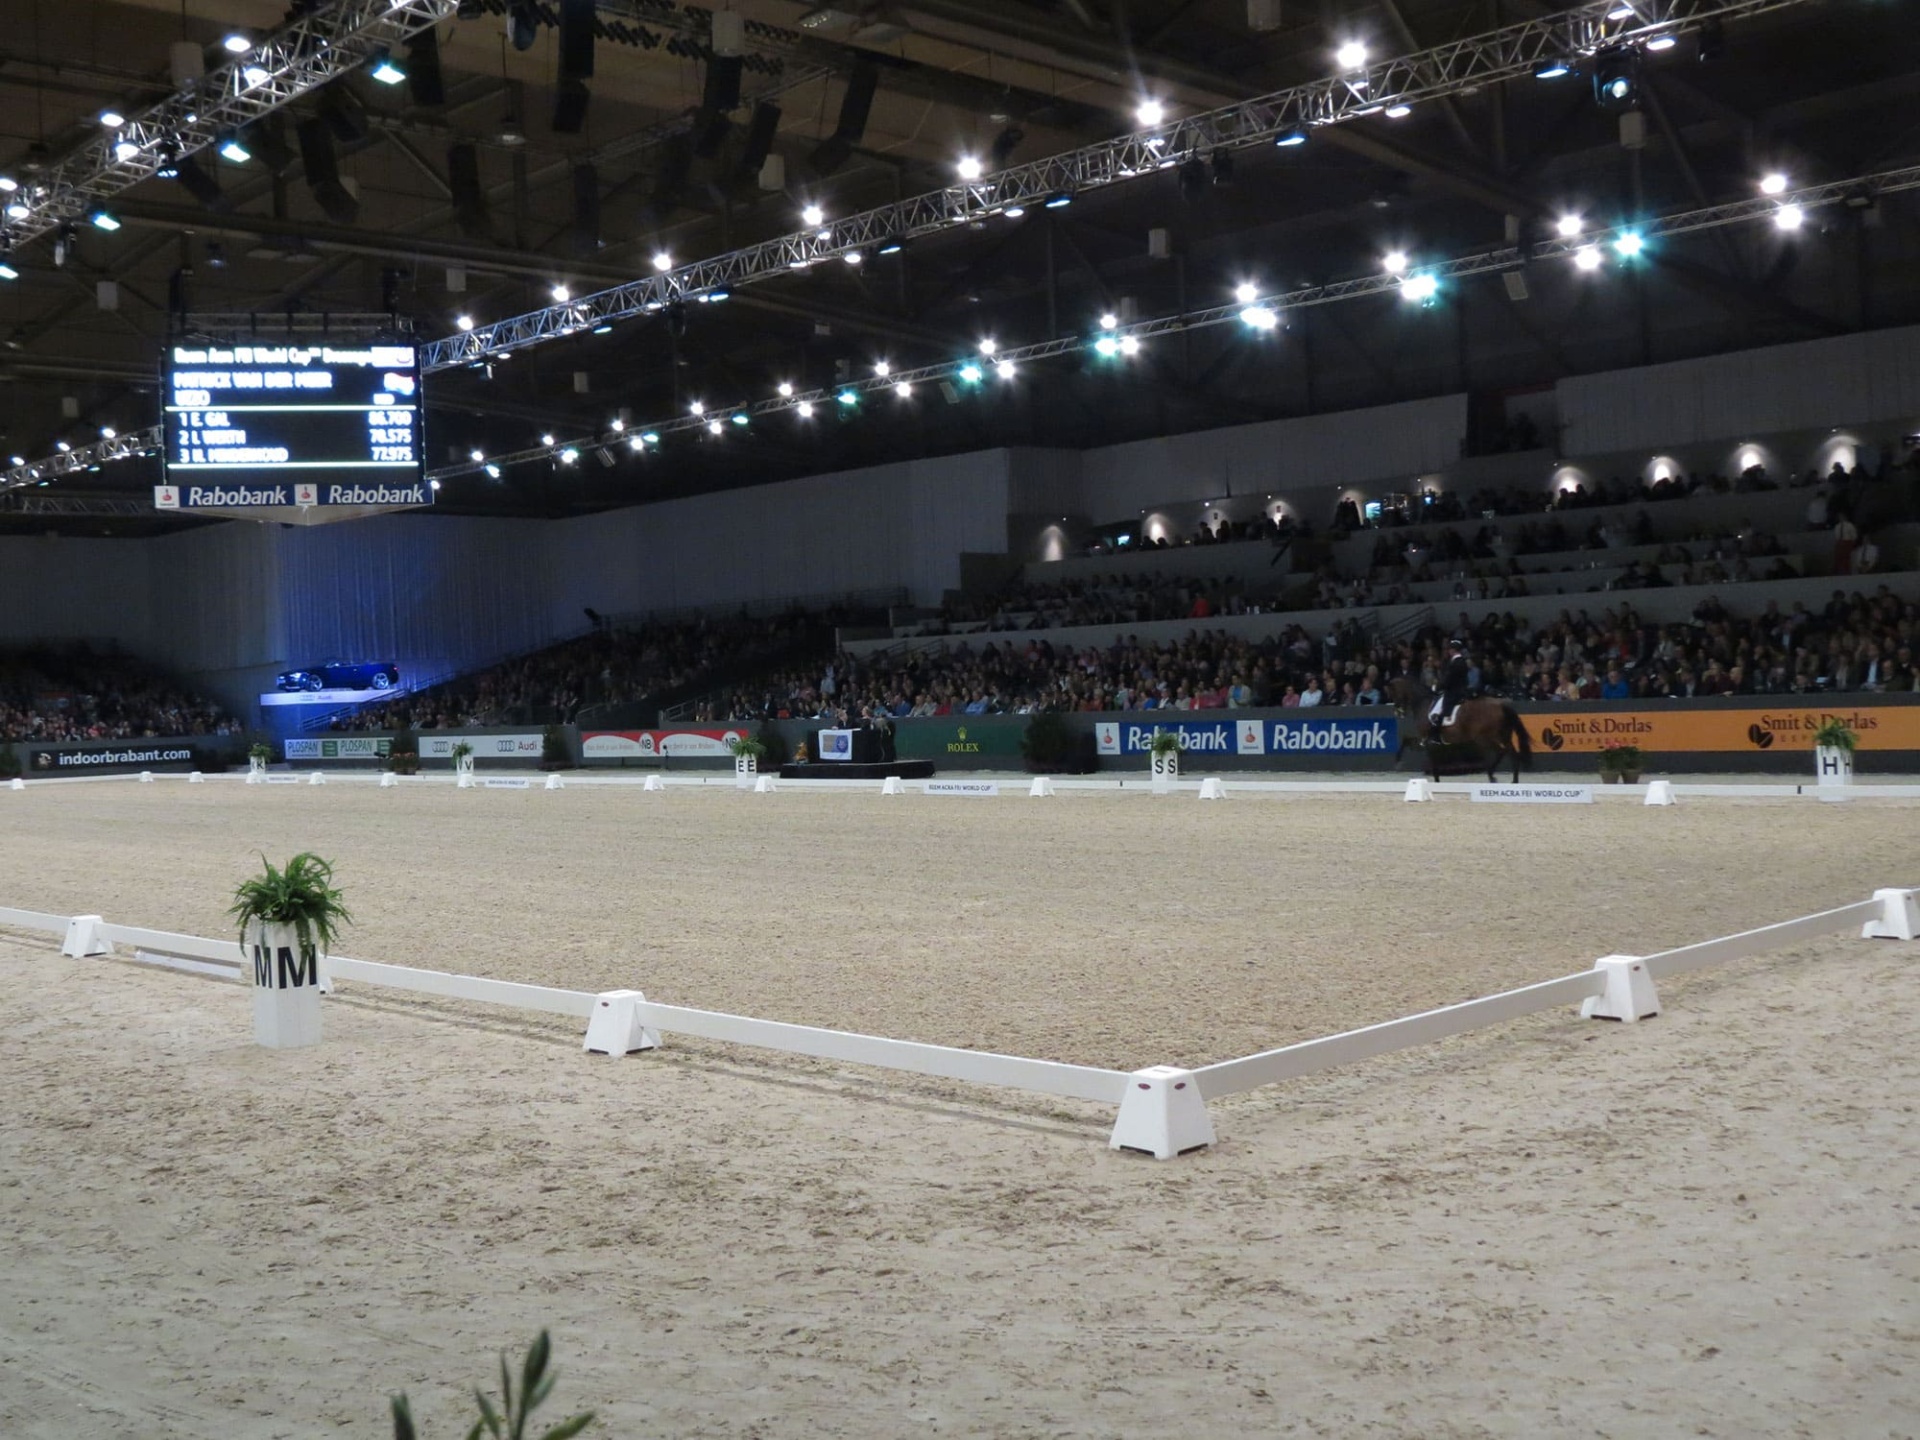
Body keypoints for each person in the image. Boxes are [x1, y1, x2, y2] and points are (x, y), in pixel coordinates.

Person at [1429, 637, 1470, 742]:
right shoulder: (1458, 661)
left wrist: (1437, 687)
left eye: (1450, 649)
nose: (1448, 651)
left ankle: (1436, 735)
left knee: (1439, 710)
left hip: (1454, 692)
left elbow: (1449, 680)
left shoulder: (1457, 663)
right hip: (1459, 690)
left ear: (1453, 650)